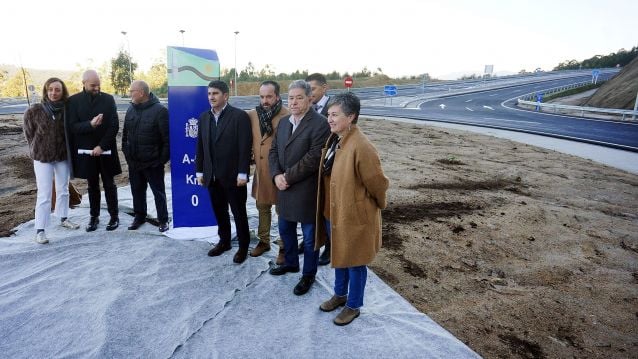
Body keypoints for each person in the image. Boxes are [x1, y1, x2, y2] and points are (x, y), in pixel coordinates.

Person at [315, 92, 389, 326]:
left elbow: (378, 183)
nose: (330, 119)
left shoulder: (362, 146)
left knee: (355, 262)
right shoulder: (336, 138)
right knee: (339, 255)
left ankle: (353, 305)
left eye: (335, 115)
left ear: (351, 116)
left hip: (354, 216)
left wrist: (379, 204)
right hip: (334, 212)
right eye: (328, 114)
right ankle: (340, 294)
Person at [268, 80, 330, 295]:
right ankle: (291, 262)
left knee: (310, 237)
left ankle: (308, 275)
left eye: (299, 97)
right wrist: (276, 174)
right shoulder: (284, 122)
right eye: (291, 98)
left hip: (306, 191)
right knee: (285, 229)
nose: (293, 102)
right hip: (284, 187)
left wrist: (287, 177)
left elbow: (313, 158)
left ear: (309, 98)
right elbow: (274, 150)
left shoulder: (320, 124)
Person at [195, 80, 252, 264]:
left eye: (216, 93)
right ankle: (224, 241)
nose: (211, 97)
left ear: (225, 96)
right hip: (212, 176)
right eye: (210, 93)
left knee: (239, 213)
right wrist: (199, 171)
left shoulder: (239, 116)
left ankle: (243, 247)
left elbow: (245, 147)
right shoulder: (204, 117)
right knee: (220, 212)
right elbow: (201, 147)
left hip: (234, 177)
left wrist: (243, 173)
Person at [23, 77, 80, 244]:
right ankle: (40, 230)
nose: (53, 93)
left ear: (63, 92)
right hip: (42, 157)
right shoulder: (34, 111)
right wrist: (39, 148)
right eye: (50, 89)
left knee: (63, 189)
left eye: (57, 90)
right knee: (44, 193)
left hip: (62, 156)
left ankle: (63, 218)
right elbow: (29, 134)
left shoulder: (67, 111)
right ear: (46, 91)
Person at [67, 70, 122, 232]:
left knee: (109, 184)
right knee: (92, 186)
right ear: (83, 83)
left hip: (106, 151)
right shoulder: (73, 101)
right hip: (86, 152)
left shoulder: (108, 99)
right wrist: (90, 125)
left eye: (98, 84)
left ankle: (114, 216)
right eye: (93, 85)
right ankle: (94, 217)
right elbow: (73, 127)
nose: (97, 88)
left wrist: (102, 146)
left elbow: (114, 126)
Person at [246, 81, 290, 263]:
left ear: (277, 97)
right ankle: (264, 241)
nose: (265, 100)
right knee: (262, 207)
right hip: (261, 172)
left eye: (269, 96)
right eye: (262, 96)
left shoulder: (288, 116)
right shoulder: (252, 115)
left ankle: (284, 247)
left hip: (280, 173)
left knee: (283, 212)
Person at [122, 80, 170, 232]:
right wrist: (127, 155)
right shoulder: (131, 109)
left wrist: (160, 161)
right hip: (134, 163)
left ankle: (163, 220)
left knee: (158, 193)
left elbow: (167, 140)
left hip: (152, 163)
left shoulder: (160, 111)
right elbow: (125, 136)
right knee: (137, 190)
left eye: (132, 91)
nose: (130, 94)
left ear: (141, 93)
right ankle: (139, 216)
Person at [304, 73, 332, 265]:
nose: (309, 93)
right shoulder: (306, 108)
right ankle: (310, 240)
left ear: (325, 88)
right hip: (309, 168)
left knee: (327, 209)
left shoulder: (335, 109)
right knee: (310, 208)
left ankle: (330, 246)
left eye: (312, 89)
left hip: (329, 168)